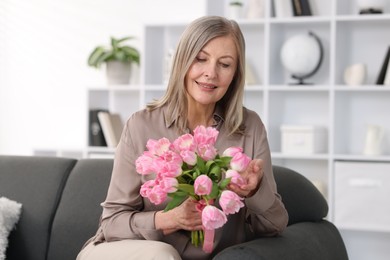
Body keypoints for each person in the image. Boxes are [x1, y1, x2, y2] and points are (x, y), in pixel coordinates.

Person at [77, 15, 288, 260]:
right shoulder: (140, 125)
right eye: (200, 59)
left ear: (235, 74)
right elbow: (111, 224)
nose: (211, 73)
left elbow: (276, 224)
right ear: (182, 61)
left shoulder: (249, 128)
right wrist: (168, 219)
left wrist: (254, 193)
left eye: (225, 64)